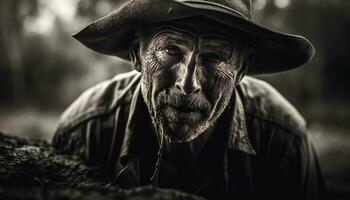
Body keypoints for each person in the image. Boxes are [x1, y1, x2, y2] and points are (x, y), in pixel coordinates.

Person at [52, 0, 325, 199]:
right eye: (171, 50)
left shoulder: (281, 139)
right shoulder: (87, 129)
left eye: (214, 58)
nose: (187, 84)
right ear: (137, 53)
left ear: (241, 69)